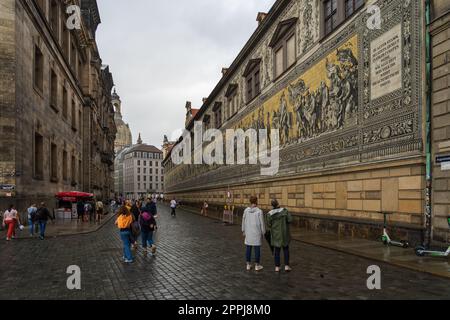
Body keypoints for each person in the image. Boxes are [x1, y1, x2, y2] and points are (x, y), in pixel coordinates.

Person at [267, 199, 293, 272]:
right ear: (278, 203)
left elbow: (269, 224)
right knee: (286, 249)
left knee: (277, 251)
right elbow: (290, 219)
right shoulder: (285, 211)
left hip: (276, 235)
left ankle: (277, 267)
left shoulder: (269, 214)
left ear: (272, 205)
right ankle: (287, 266)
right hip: (284, 234)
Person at [242, 196, 265, 271]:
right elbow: (262, 223)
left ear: (250, 201)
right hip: (256, 233)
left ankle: (248, 265)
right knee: (257, 249)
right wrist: (263, 232)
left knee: (248, 248)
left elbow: (243, 221)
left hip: (248, 232)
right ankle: (257, 265)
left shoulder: (246, 210)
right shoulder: (259, 211)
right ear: (256, 201)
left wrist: (243, 230)